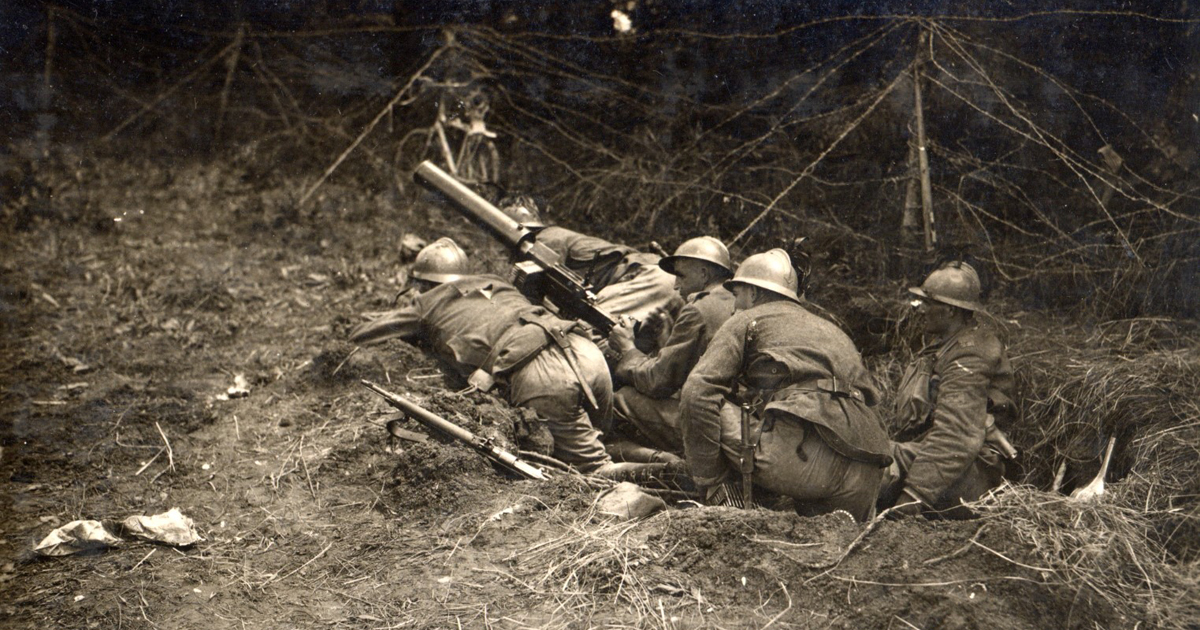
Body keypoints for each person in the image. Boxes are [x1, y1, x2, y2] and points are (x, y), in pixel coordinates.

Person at [350, 237, 622, 474]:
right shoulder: (495, 282)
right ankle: (661, 461)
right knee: (602, 440)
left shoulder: (426, 302)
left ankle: (664, 475)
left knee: (593, 470)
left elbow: (361, 335)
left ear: (422, 283)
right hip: (582, 350)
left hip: (541, 375)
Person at [678, 249, 892, 521]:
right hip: (868, 465)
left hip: (803, 464)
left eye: (737, 295)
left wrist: (710, 479)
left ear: (754, 293)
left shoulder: (746, 320)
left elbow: (697, 393)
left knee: (710, 401)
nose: (734, 306)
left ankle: (720, 495)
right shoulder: (831, 330)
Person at [878, 262, 1016, 518]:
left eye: (928, 303)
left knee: (871, 461)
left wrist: (911, 498)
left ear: (951, 311)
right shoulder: (947, 345)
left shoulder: (971, 354)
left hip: (972, 473)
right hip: (940, 460)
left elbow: (956, 435)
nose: (919, 309)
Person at [605, 236, 736, 456]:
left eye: (681, 276)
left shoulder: (699, 309)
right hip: (739, 418)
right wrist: (666, 341)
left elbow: (657, 382)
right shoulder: (735, 300)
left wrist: (627, 348)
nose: (676, 286)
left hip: (717, 426)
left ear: (704, 274)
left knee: (621, 399)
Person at [497, 195, 680, 324]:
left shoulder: (546, 239)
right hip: (665, 282)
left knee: (585, 337)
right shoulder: (556, 236)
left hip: (648, 279)